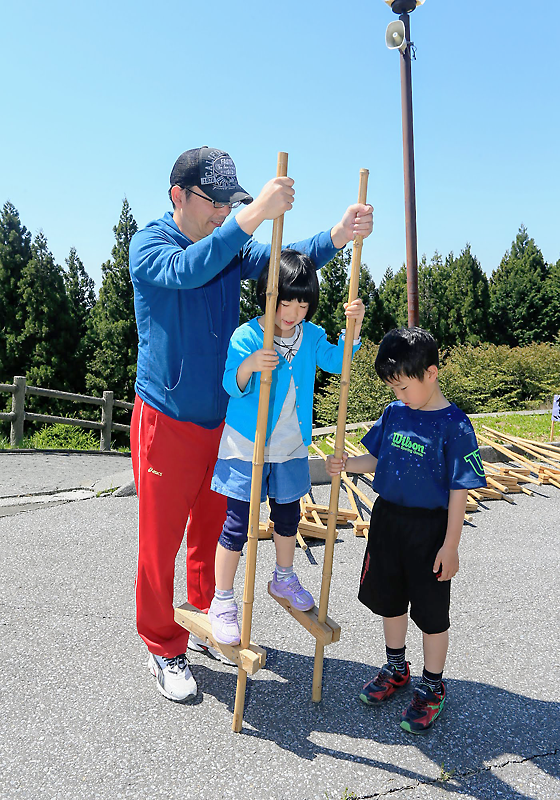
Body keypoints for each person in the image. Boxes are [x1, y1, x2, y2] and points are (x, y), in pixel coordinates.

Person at [129, 146, 373, 703]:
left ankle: (209, 618)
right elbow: (190, 269)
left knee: (212, 533)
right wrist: (249, 216)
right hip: (165, 418)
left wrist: (336, 236)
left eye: (228, 205)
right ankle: (163, 645)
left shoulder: (232, 246)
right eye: (215, 204)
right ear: (179, 197)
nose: (222, 213)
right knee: (159, 540)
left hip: (226, 422)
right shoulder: (151, 246)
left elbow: (284, 263)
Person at [326, 327, 486, 733]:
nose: (399, 395)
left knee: (432, 614)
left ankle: (433, 688)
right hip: (387, 522)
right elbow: (377, 459)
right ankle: (396, 668)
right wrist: (347, 463)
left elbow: (458, 491)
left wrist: (451, 546)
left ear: (431, 373)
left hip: (429, 530)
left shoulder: (455, 424)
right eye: (393, 388)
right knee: (390, 601)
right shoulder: (395, 413)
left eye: (403, 386)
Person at [208, 250, 365, 644]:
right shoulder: (248, 335)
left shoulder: (310, 336)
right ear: (268, 295)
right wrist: (250, 366)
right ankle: (222, 601)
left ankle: (283, 578)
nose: (293, 312)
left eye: (302, 304)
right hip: (248, 445)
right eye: (286, 302)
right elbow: (230, 382)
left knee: (288, 516)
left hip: (291, 444)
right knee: (236, 524)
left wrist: (353, 328)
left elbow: (338, 361)